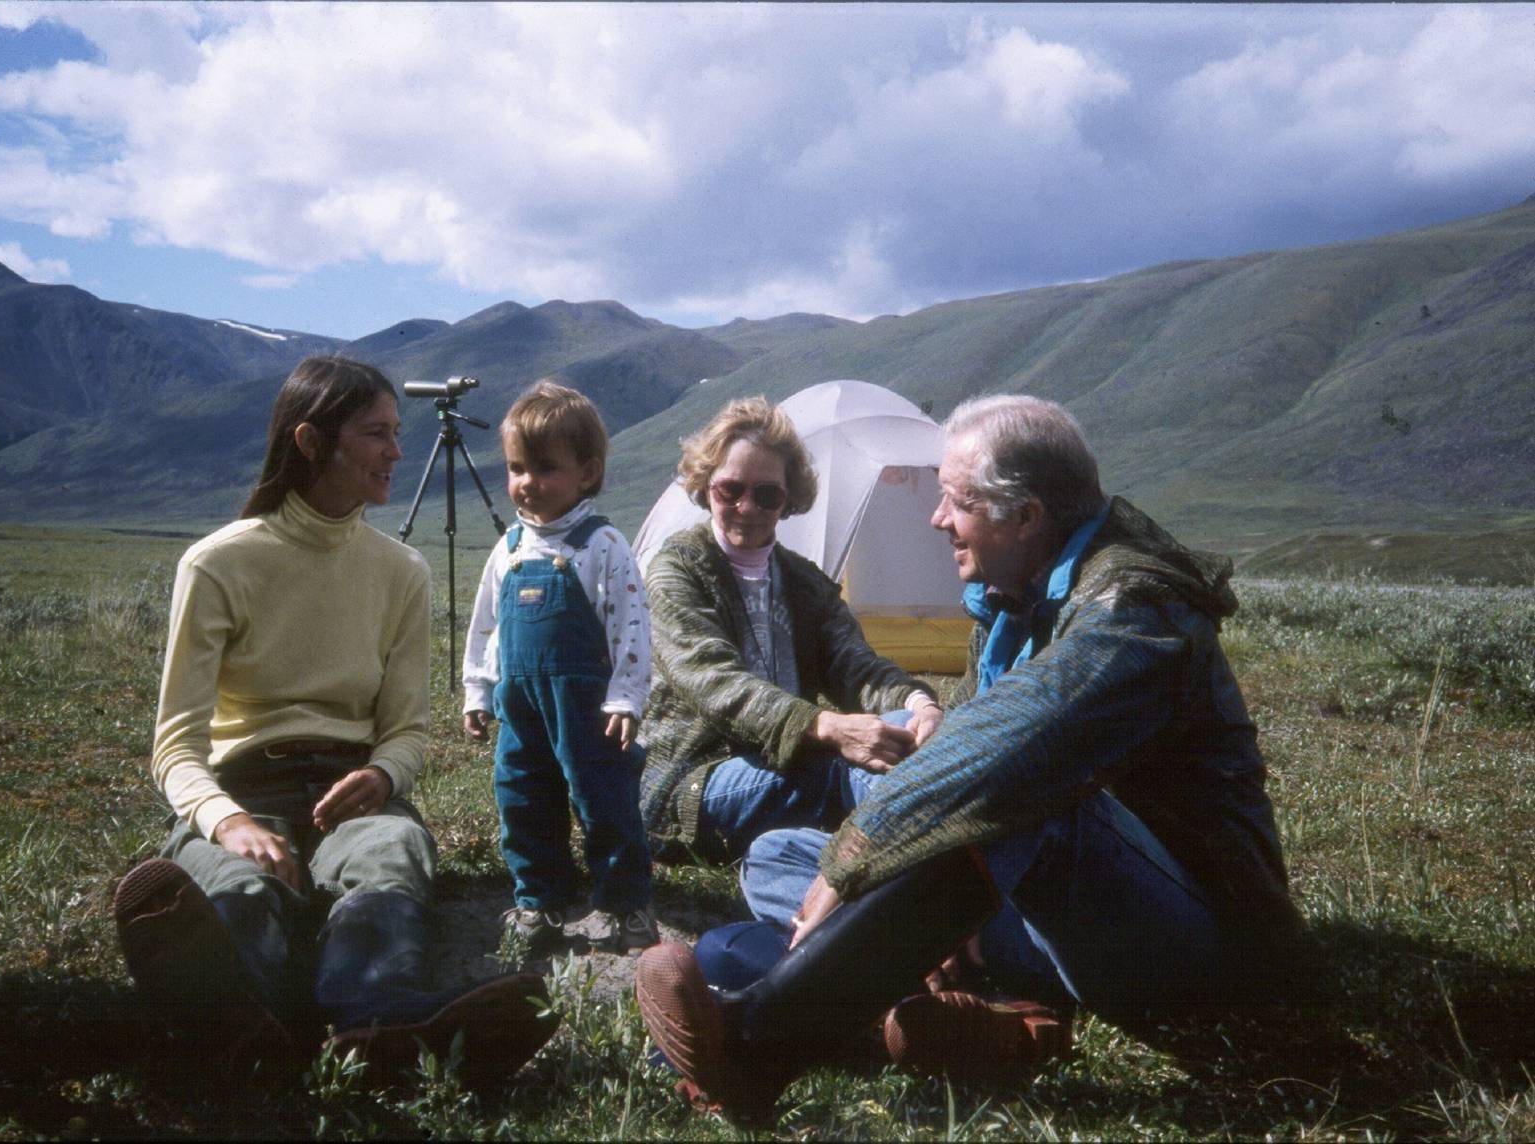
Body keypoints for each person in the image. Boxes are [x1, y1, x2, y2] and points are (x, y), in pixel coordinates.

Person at [636, 393, 1301, 1125]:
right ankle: (988, 1016)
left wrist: (863, 850)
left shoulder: (1133, 609)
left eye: (954, 501)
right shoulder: (1015, 597)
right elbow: (716, 680)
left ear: (1025, 516)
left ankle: (761, 1041)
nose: (935, 518)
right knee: (775, 854)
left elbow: (1012, 749)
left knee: (1029, 795)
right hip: (1053, 907)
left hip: (1192, 942)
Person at [112, 356, 558, 1092]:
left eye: (396, 433)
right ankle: (241, 1018)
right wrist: (227, 824)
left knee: (389, 852)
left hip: (355, 787)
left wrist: (383, 775)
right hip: (241, 789)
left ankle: (370, 1020)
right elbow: (176, 747)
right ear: (313, 442)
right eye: (377, 434)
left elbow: (407, 729)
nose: (397, 452)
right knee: (243, 885)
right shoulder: (217, 564)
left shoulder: (402, 571)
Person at [639, 396, 943, 868]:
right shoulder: (676, 569)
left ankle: (931, 860)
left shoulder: (802, 582)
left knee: (905, 731)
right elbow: (715, 682)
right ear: (705, 488)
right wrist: (825, 726)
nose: (746, 507)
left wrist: (919, 706)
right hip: (693, 781)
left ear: (788, 499)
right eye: (730, 490)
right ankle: (936, 864)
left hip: (787, 762)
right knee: (841, 767)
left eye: (766, 494)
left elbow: (854, 666)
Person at [462, 381, 657, 957]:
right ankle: (541, 898)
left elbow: (632, 626)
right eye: (516, 467)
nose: (527, 482)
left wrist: (625, 697)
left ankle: (627, 906)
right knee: (520, 795)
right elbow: (486, 626)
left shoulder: (602, 544)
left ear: (587, 473)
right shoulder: (510, 548)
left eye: (545, 468)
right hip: (520, 706)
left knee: (603, 801)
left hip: (587, 708)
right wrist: (479, 689)